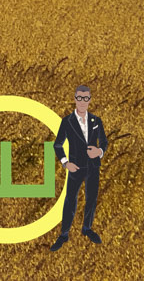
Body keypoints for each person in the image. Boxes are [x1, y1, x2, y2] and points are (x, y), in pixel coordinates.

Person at [49, 84, 106, 249]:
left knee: (91, 198)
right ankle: (64, 234)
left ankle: (87, 228)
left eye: (86, 98)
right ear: (75, 99)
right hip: (76, 167)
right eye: (79, 98)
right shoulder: (67, 122)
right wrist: (66, 163)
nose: (82, 101)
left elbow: (104, 142)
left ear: (89, 100)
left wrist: (99, 151)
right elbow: (58, 145)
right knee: (70, 200)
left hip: (93, 167)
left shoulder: (96, 120)